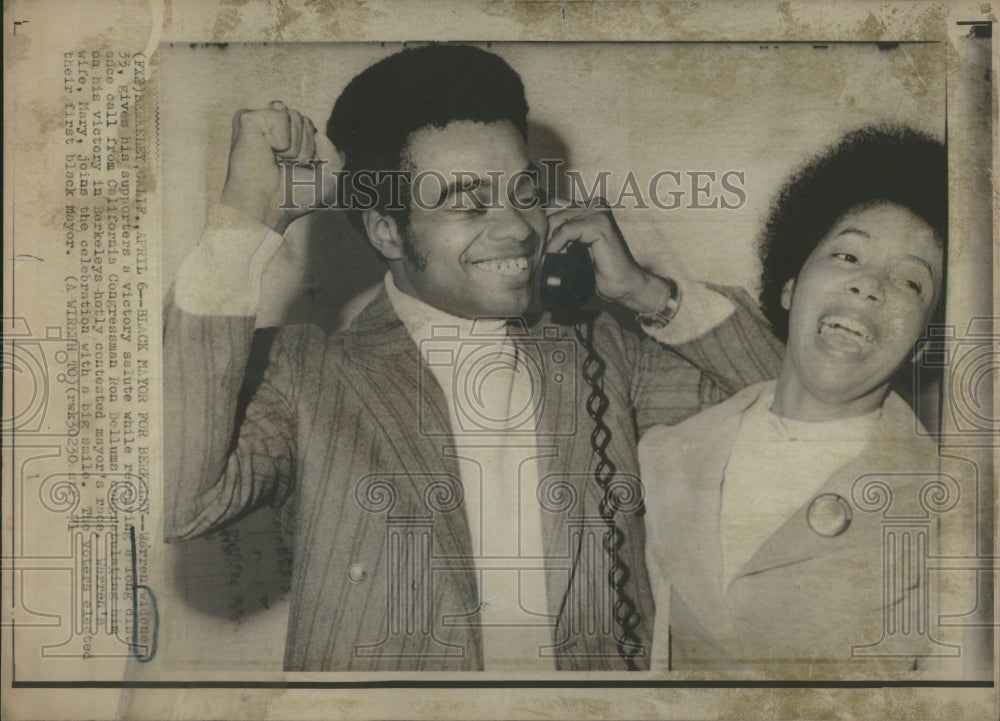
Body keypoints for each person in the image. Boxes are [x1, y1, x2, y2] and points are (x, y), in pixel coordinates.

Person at [164, 43, 781, 671]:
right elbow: (180, 501)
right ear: (386, 230)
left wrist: (647, 293)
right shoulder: (305, 373)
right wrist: (244, 218)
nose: (516, 227)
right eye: (468, 202)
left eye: (523, 191)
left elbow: (814, 412)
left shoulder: (610, 354)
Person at [640, 126, 948, 674]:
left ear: (925, 339)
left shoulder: (953, 515)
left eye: (911, 284)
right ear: (789, 285)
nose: (869, 285)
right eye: (849, 254)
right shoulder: (667, 453)